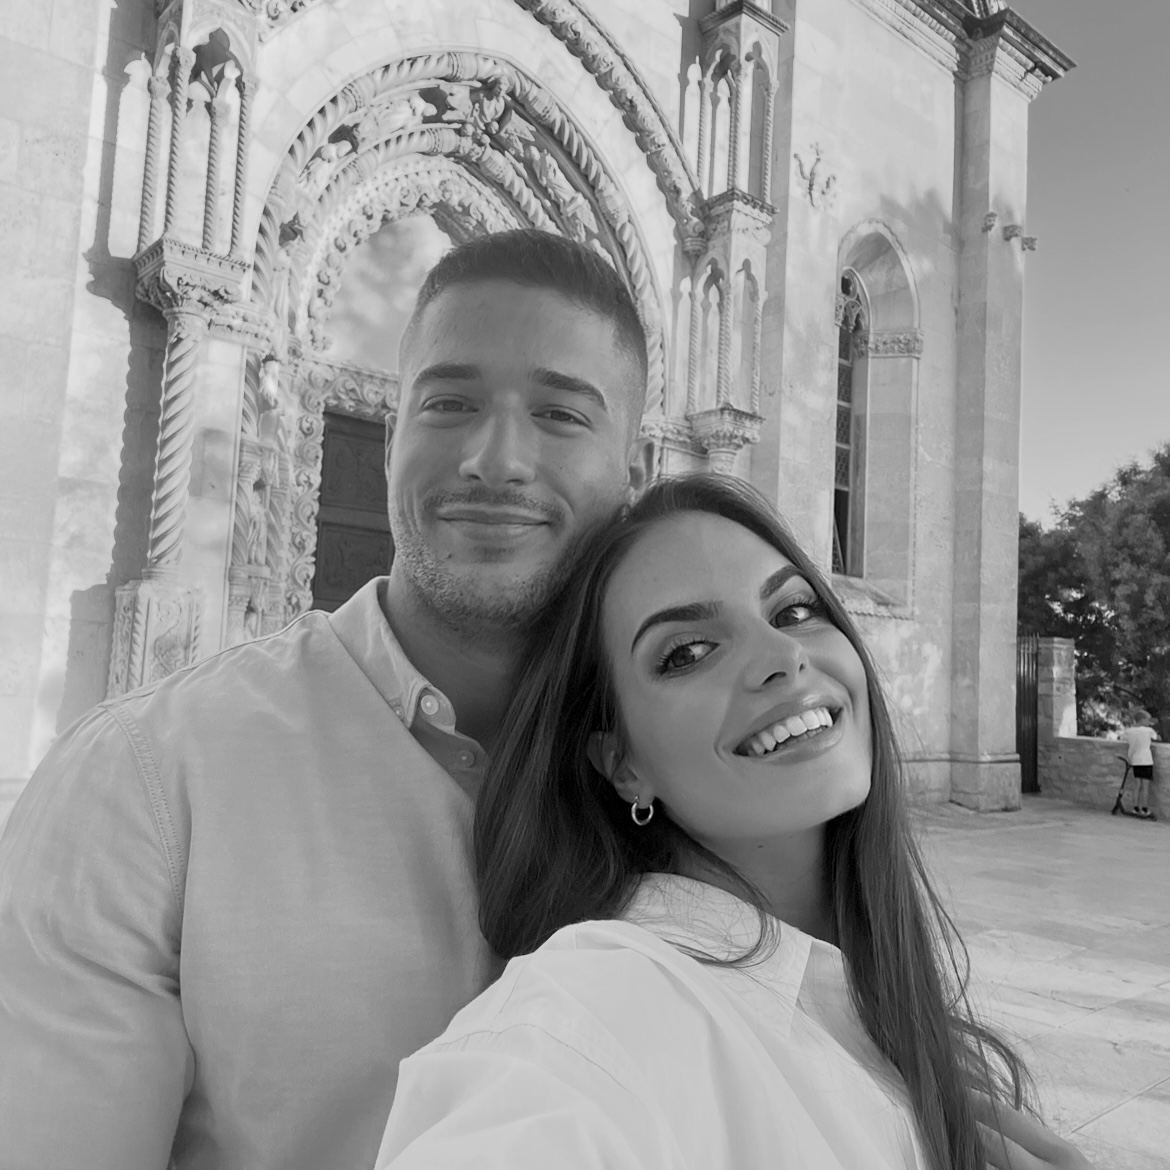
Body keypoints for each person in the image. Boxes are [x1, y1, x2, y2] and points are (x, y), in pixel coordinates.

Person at [0, 229, 654, 1170]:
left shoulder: (691, 781)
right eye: (450, 403)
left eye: (559, 414)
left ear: (634, 475)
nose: (494, 459)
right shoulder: (149, 780)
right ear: (390, 442)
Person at [374, 474, 1096, 1170]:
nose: (782, 657)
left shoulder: (866, 997)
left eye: (793, 611)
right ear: (622, 762)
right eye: (687, 653)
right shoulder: (589, 1017)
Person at [1121, 711, 1158, 816]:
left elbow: (1123, 738)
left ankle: (1135, 808)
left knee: (1137, 785)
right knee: (1145, 786)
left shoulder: (1129, 731)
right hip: (1146, 760)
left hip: (1135, 760)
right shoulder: (1148, 731)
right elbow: (1156, 737)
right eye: (1147, 720)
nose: (1149, 722)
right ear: (1142, 720)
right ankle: (1145, 809)